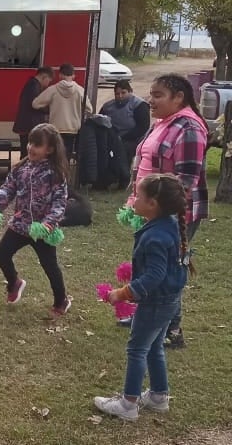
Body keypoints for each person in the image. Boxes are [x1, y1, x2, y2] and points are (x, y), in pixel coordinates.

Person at [94, 174, 190, 421]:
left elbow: (156, 275)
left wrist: (123, 293)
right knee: (154, 346)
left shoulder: (156, 236)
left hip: (156, 302)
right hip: (169, 299)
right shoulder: (169, 224)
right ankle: (158, 396)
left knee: (137, 349)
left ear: (153, 204)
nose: (133, 200)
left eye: (138, 195)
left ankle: (128, 404)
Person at [126, 74, 208, 349]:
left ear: (178, 97)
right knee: (148, 263)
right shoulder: (164, 123)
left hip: (172, 214)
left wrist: (160, 212)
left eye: (158, 95)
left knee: (168, 269)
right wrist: (135, 199)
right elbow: (146, 164)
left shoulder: (189, 128)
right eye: (151, 94)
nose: (151, 100)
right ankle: (146, 314)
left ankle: (172, 329)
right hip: (151, 209)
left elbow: (185, 180)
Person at [0, 123, 72, 317]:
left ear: (49, 149)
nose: (31, 147)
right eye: (30, 143)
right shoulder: (20, 169)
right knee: (2, 254)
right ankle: (14, 283)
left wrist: (49, 223)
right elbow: (7, 190)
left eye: (37, 144)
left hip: (43, 229)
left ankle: (61, 300)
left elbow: (60, 202)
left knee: (49, 265)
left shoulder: (55, 174)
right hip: (20, 225)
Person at [32, 63, 92, 158]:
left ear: (60, 75)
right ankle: (65, 172)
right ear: (73, 75)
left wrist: (49, 108)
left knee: (55, 157)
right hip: (72, 129)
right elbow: (90, 109)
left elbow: (35, 104)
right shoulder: (80, 90)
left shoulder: (53, 89)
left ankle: (55, 172)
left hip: (55, 129)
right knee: (66, 157)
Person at [99, 80, 150, 166]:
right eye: (117, 94)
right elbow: (100, 121)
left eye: (123, 93)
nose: (120, 96)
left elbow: (142, 127)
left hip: (133, 140)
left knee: (123, 153)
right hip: (112, 137)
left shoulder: (139, 105)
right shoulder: (108, 106)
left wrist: (122, 138)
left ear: (130, 91)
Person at [13, 66, 54, 158]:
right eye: (48, 80)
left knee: (26, 151)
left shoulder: (32, 84)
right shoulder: (34, 86)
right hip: (29, 125)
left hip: (26, 124)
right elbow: (35, 105)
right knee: (27, 153)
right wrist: (49, 110)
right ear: (44, 76)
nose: (47, 84)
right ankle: (24, 171)